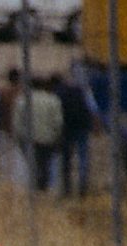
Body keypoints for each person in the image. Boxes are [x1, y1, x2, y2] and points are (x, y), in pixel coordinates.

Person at [59, 61, 97, 196]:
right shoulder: (85, 91)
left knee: (66, 158)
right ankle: (82, 185)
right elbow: (93, 109)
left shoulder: (62, 90)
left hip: (66, 127)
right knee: (83, 156)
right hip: (82, 126)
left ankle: (66, 187)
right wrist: (94, 125)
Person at [26, 74, 66, 194]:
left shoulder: (23, 100)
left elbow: (19, 121)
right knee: (48, 162)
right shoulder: (52, 100)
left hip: (31, 137)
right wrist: (58, 135)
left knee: (33, 162)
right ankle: (46, 187)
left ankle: (34, 187)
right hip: (49, 137)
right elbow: (58, 122)